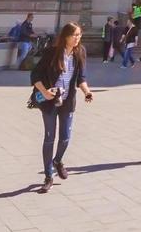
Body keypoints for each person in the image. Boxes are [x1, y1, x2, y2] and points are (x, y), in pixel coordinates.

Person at [32, 22, 93, 192]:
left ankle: (57, 161)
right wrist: (44, 92)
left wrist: (86, 92)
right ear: (65, 36)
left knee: (65, 137)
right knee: (49, 138)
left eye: (79, 35)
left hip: (67, 101)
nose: (77, 38)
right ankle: (48, 176)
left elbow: (81, 77)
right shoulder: (52, 53)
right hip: (50, 101)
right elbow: (35, 74)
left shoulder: (80, 52)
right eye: (74, 35)